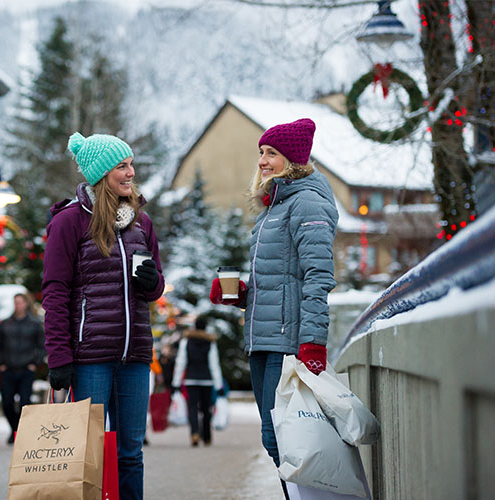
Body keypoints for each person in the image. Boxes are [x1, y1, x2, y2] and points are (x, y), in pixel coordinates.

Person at [209, 118, 337, 498]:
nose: (262, 161)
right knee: (277, 440)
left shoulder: (308, 203)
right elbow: (281, 279)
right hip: (264, 338)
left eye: (272, 154)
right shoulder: (273, 207)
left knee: (287, 439)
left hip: (288, 342)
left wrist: (312, 341)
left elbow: (318, 276)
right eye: (261, 153)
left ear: (293, 160)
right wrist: (239, 294)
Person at [42, 132, 165, 500]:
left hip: (135, 357)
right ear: (101, 173)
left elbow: (156, 287)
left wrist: (152, 282)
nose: (130, 173)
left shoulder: (141, 222)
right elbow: (55, 291)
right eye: (121, 167)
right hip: (89, 358)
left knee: (131, 453)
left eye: (131, 165)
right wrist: (59, 358)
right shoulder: (70, 222)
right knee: (88, 455)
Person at [0, 293, 45, 445]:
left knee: (25, 403)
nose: (18, 305)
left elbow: (42, 346)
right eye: (15, 302)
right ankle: (14, 428)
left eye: (20, 302)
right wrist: (0, 363)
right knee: (7, 403)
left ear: (26, 304)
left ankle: (19, 432)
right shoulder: (5, 324)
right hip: (8, 369)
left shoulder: (35, 324)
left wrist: (35, 363)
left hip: (26, 369)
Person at [170, 316, 224, 447]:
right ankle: (206, 437)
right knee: (206, 409)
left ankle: (194, 433)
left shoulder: (186, 341)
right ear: (205, 327)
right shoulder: (210, 342)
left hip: (191, 379)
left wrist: (176, 382)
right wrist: (219, 384)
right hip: (207, 380)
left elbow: (181, 362)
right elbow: (214, 364)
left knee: (192, 407)